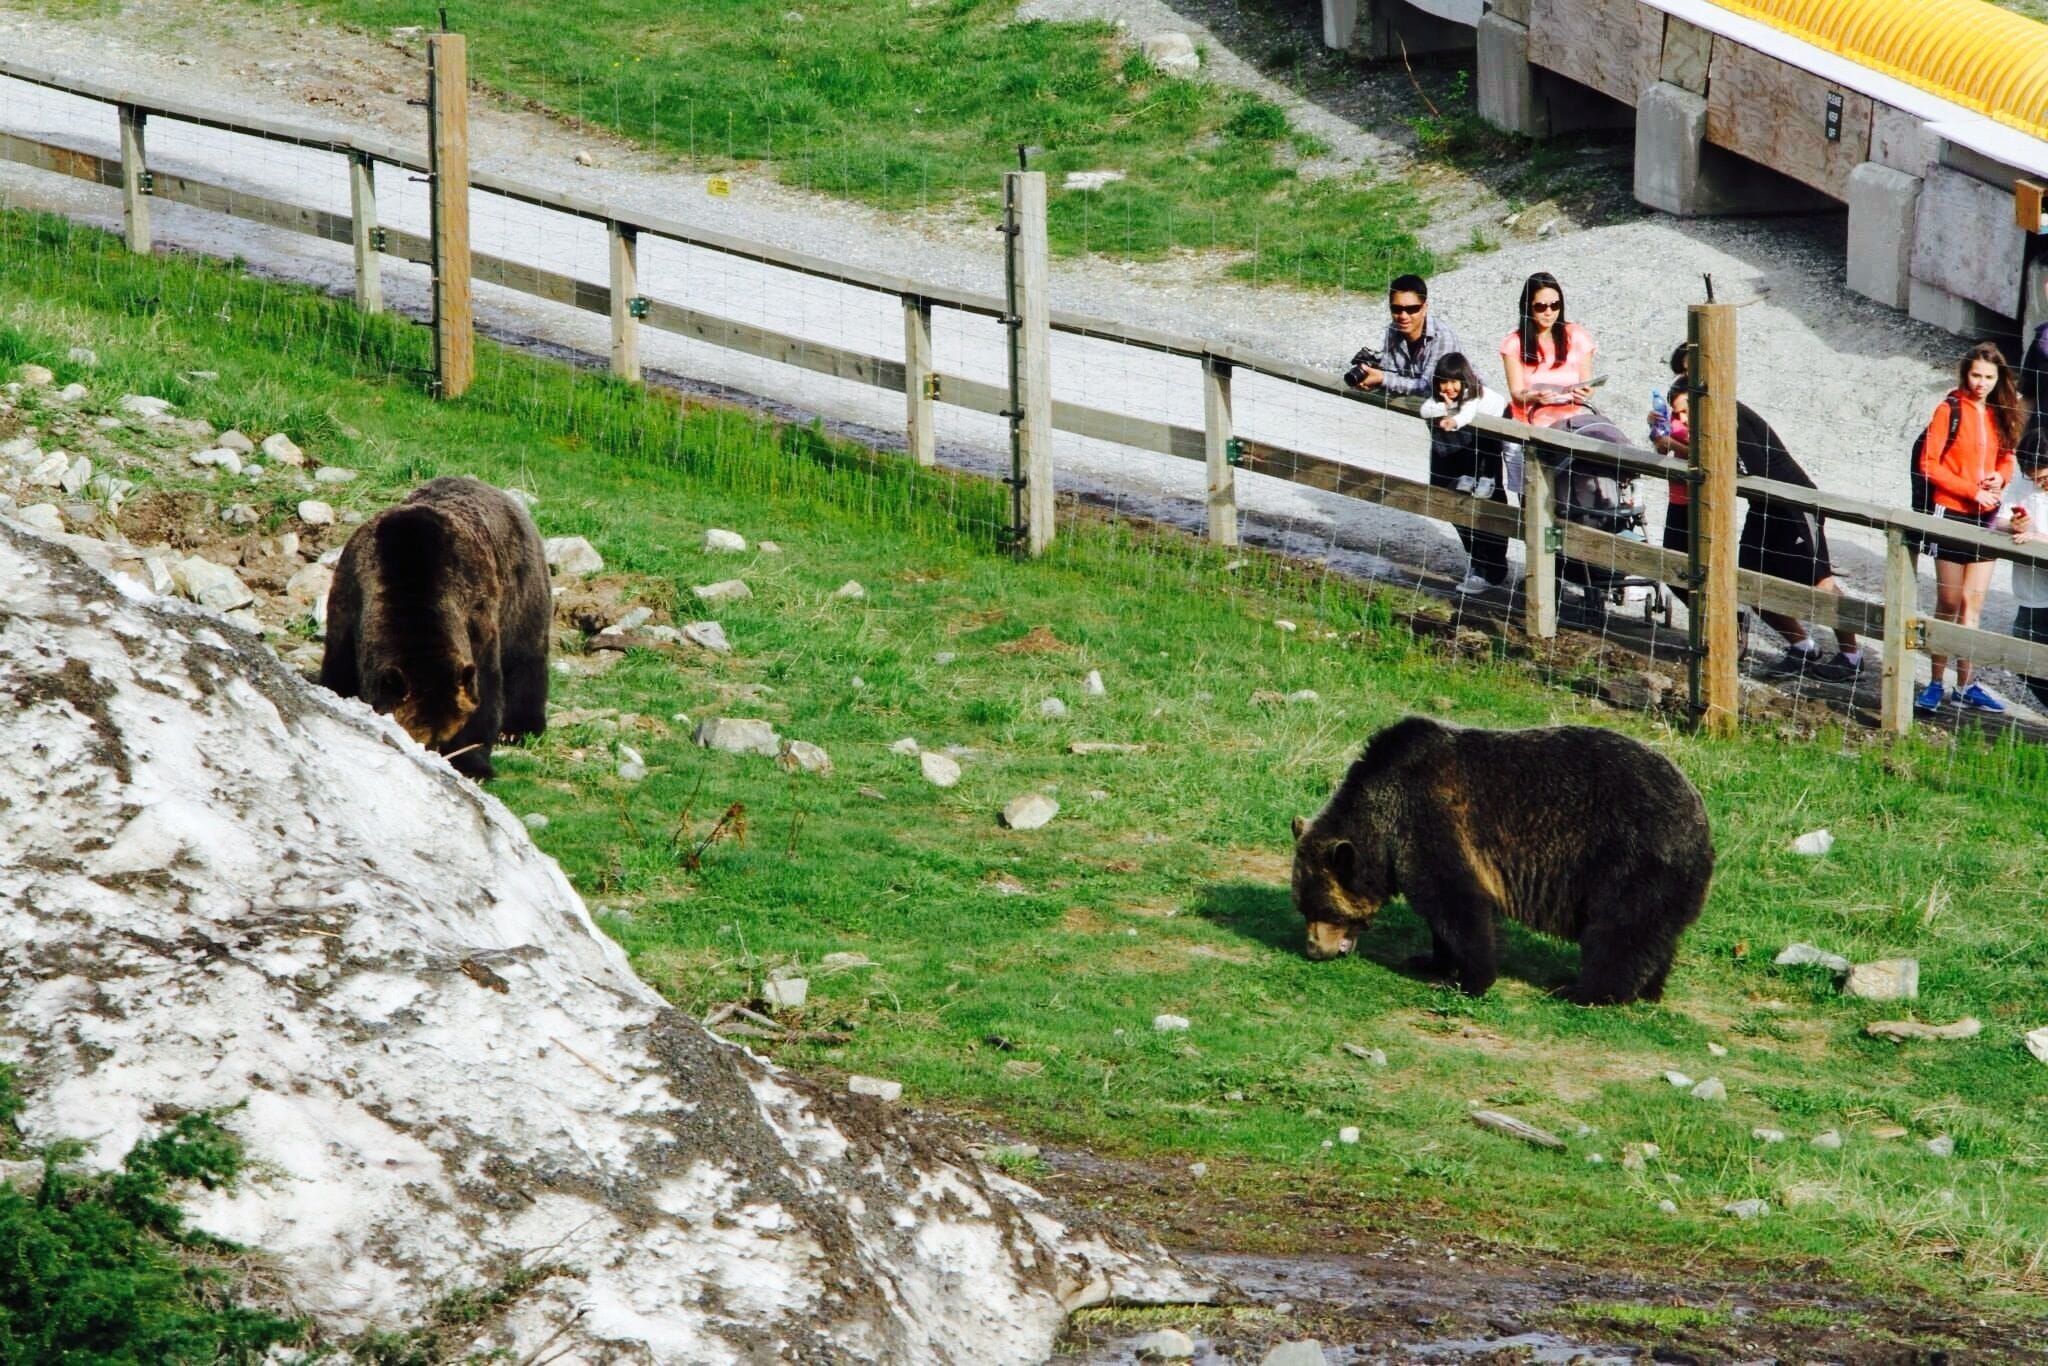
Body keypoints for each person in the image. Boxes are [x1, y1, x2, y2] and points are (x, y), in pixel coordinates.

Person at [1652, 384, 1863, 682]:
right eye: (1677, 414)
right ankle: (1802, 647)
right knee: (1749, 581)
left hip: (1794, 503)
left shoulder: (1728, 416)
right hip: (1762, 504)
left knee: (1820, 581)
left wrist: (1672, 444)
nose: (1683, 420)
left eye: (1687, 411)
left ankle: (1851, 656)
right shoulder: (1711, 419)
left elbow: (1732, 467)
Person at [1916, 342, 2025, 714]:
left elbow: (2008, 455)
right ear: (1965, 373)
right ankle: (1934, 682)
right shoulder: (1949, 409)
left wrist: (2001, 476)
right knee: (1947, 602)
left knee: (1972, 605)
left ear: (1999, 379)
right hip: (1952, 512)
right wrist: (1970, 491)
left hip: (1987, 515)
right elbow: (1929, 464)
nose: (1981, 383)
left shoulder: (2000, 411)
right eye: (1976, 375)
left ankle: (1967, 684)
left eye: (1989, 377)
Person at [1418, 352, 1513, 595]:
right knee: (1451, 497)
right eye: (1443, 383)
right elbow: (1424, 409)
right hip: (1467, 433)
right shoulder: (1444, 396)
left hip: (1493, 425)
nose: (1448, 388)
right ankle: (1478, 557)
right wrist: (1443, 406)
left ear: (1465, 381)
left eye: (1453, 383)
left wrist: (1453, 420)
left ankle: (1490, 566)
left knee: (1486, 499)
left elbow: (1467, 414)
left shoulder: (1473, 395)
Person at [1991, 423, 2048, 712]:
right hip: (2030, 590)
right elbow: (1997, 520)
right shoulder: (2023, 484)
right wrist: (2012, 524)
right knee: (2022, 655)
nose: (2039, 483)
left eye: (2044, 477)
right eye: (2033, 477)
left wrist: (2039, 539)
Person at [1498, 272, 1595, 428]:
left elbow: (1588, 387)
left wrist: (1584, 393)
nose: (1549, 312)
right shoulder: (1514, 344)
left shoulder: (1577, 336)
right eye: (1541, 307)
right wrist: (1535, 397)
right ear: (1528, 307)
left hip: (1572, 422)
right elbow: (1517, 394)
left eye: (1555, 305)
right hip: (1531, 422)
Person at [1343, 274, 1461, 398]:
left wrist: (1383, 379)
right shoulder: (1393, 330)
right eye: (1396, 309)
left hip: (1465, 404)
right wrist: (1373, 379)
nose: (1403, 316)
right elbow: (1393, 373)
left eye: (1412, 309)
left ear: (1424, 308)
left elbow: (1431, 387)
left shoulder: (1441, 338)